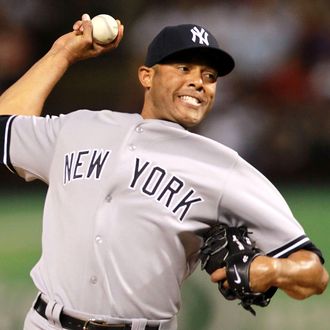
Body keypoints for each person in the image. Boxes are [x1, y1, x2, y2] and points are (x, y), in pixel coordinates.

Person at [0, 13, 328, 330]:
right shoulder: (79, 126)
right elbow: (5, 129)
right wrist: (62, 54)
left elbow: (314, 274)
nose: (198, 82)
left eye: (209, 76)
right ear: (146, 76)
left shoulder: (224, 169)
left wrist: (275, 270)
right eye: (184, 68)